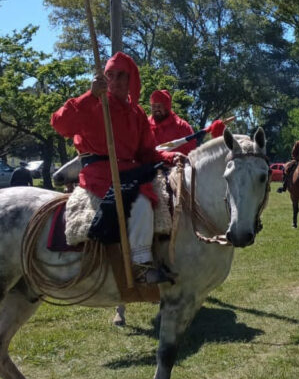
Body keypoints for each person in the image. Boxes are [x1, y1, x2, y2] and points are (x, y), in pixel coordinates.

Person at [51, 52, 182, 284]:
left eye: (122, 75)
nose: (116, 80)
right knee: (141, 200)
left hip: (130, 171)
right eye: (110, 75)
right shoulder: (94, 103)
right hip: (100, 174)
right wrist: (91, 95)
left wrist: (171, 156)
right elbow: (61, 124)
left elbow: (147, 152)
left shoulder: (138, 113)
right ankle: (141, 265)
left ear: (132, 79)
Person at [148, 89, 197, 156]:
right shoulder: (145, 125)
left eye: (159, 106)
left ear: (167, 107)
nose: (156, 109)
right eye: (154, 106)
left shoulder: (182, 126)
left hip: (174, 164)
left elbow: (191, 153)